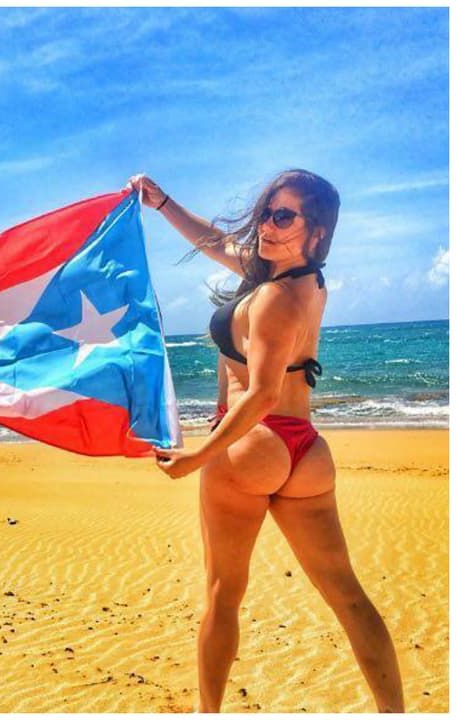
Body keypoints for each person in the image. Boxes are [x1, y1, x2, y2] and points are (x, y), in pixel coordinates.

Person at [135, 170, 403, 713]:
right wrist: (163, 202)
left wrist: (195, 458)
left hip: (251, 445)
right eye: (266, 211)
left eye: (284, 216)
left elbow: (258, 395)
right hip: (306, 451)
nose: (267, 224)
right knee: (348, 597)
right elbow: (216, 242)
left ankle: (208, 713)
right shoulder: (305, 280)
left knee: (222, 596)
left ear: (317, 232)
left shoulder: (275, 295)